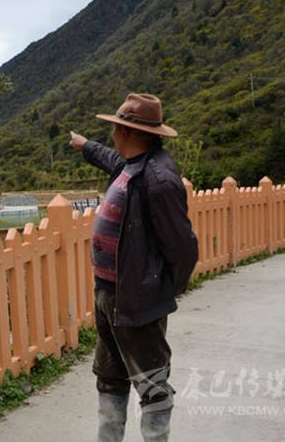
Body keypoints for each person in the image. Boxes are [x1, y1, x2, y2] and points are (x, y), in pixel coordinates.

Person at [68, 93, 198, 442]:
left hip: (137, 301)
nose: (113, 134)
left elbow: (183, 247)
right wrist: (83, 145)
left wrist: (159, 290)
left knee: (152, 385)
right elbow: (107, 156)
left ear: (126, 132)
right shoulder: (130, 164)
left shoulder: (159, 180)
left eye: (116, 128)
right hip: (109, 296)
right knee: (110, 377)